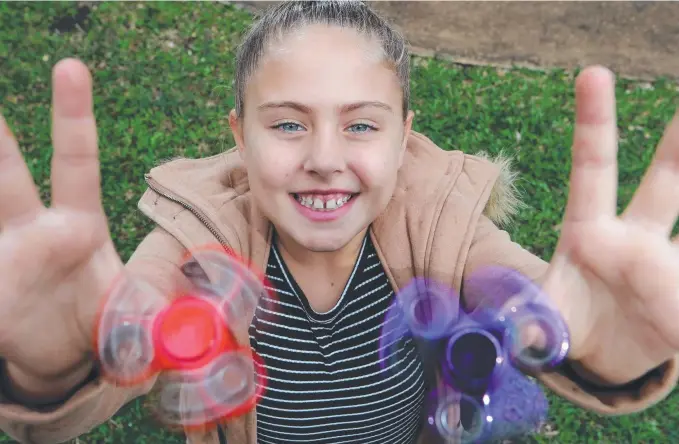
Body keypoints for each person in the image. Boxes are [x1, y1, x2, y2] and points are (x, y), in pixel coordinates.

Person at [0, 1, 678, 443]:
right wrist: (64, 363)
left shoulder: (440, 220)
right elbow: (142, 315)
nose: (324, 160)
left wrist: (581, 337)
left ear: (403, 136)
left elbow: (519, 285)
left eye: (360, 125)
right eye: (288, 123)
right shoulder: (200, 237)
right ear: (239, 135)